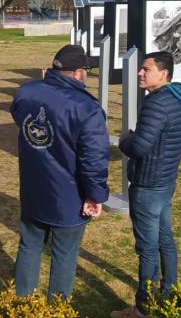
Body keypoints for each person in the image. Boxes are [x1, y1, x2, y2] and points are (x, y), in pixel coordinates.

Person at [10, 44, 110, 299]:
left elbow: (20, 118)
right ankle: (56, 308)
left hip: (33, 187)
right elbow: (94, 160)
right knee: (64, 254)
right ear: (78, 73)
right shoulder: (87, 109)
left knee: (29, 245)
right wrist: (95, 196)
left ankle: (23, 304)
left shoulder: (26, 92)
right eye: (86, 70)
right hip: (69, 196)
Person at [111, 51, 181, 318]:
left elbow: (140, 147)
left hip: (148, 185)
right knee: (165, 240)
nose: (140, 73)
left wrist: (124, 139)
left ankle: (143, 309)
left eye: (146, 69)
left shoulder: (156, 103)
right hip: (166, 180)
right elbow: (159, 139)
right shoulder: (179, 98)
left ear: (163, 74)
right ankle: (169, 295)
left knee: (147, 249)